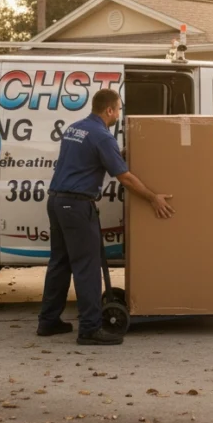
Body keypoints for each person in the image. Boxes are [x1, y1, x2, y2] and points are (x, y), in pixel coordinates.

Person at [38, 88, 174, 345]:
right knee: (87, 267)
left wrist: (117, 156)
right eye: (118, 109)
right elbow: (125, 178)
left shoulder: (76, 128)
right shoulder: (102, 136)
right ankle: (90, 329)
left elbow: (88, 159)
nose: (119, 114)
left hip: (57, 202)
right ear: (109, 110)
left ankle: (48, 321)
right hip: (77, 206)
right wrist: (152, 197)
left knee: (60, 263)